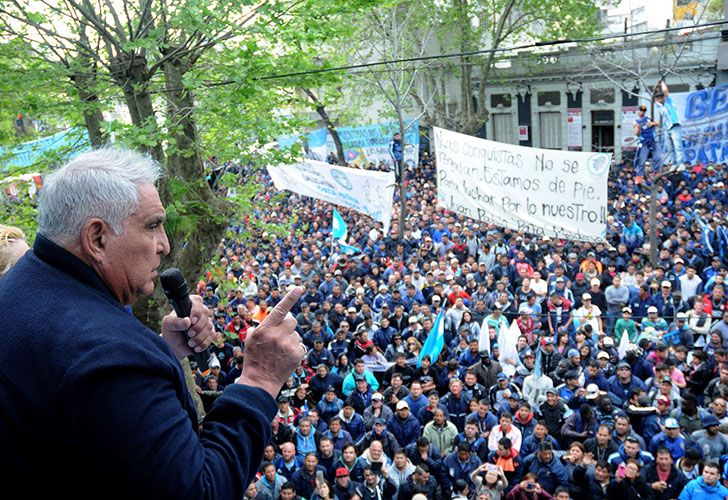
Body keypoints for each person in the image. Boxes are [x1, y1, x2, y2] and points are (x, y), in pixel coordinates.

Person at [0, 149, 306, 496]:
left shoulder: (18, 287)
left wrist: (159, 353)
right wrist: (260, 379)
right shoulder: (111, 356)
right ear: (97, 238)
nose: (165, 245)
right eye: (152, 226)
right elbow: (201, 490)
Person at [654, 81, 685, 168]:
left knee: (677, 145)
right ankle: (674, 163)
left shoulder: (669, 102)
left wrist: (662, 82)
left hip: (674, 126)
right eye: (658, 98)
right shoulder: (659, 106)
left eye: (661, 97)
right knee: (669, 147)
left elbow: (665, 91)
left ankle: (680, 162)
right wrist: (656, 88)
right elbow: (654, 97)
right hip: (666, 129)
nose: (660, 99)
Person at [632, 103, 659, 184]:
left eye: (644, 110)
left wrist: (653, 123)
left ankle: (655, 172)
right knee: (641, 160)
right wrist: (638, 128)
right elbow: (636, 133)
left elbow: (658, 124)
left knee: (657, 157)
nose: (642, 112)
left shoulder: (648, 119)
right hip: (644, 142)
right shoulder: (636, 122)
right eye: (641, 110)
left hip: (652, 141)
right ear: (638, 111)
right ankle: (639, 177)